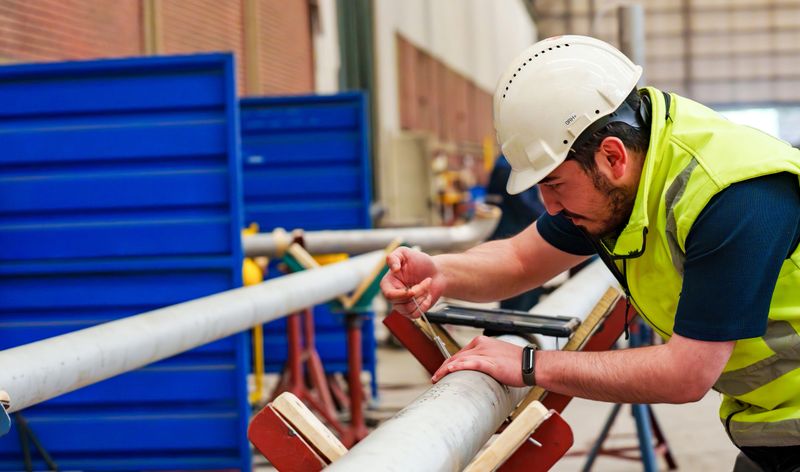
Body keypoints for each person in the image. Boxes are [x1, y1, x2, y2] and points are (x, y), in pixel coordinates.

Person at [380, 35, 800, 472]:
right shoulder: (621, 178)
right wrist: (441, 272)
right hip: (771, 434)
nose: (550, 207)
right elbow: (522, 260)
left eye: (554, 184)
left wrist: (530, 364)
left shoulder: (734, 198)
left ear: (612, 157)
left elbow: (686, 373)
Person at [485, 155, 546, 310]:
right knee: (520, 297)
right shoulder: (510, 168)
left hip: (511, 234)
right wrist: (551, 218)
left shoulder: (505, 164)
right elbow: (526, 202)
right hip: (517, 236)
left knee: (517, 293)